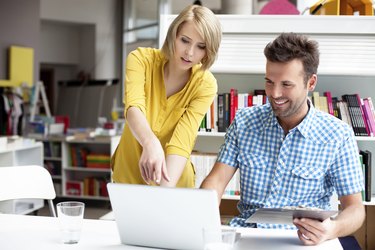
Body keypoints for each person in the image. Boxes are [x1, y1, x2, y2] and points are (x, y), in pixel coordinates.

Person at [201, 32, 365, 246]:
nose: (275, 93)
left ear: (311, 82)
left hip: (301, 241)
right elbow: (217, 181)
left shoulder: (338, 135)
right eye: (269, 82)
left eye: (286, 85)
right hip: (248, 235)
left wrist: (331, 228)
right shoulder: (244, 122)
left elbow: (355, 209)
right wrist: (202, 218)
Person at [111, 5, 222, 188]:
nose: (190, 53)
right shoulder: (140, 60)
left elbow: (182, 141)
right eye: (185, 40)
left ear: (208, 51)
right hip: (129, 174)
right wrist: (151, 143)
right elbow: (133, 108)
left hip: (174, 178)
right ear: (173, 35)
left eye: (201, 46)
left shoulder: (205, 84)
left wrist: (164, 194)